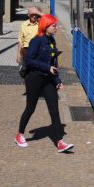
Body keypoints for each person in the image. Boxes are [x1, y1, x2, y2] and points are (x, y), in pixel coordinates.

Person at [15, 14, 73, 153]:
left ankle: (60, 142)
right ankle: (19, 135)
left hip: (48, 80)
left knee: (54, 109)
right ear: (46, 26)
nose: (56, 28)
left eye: (56, 25)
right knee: (30, 108)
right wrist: (47, 68)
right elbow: (29, 60)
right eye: (54, 25)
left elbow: (54, 64)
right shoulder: (37, 41)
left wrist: (57, 81)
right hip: (34, 78)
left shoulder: (52, 41)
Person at [17, 6, 42, 70]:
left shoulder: (41, 24)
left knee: (37, 69)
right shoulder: (23, 25)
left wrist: (38, 12)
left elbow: (51, 20)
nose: (34, 16)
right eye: (32, 14)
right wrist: (18, 55)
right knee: (27, 69)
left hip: (38, 50)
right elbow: (20, 40)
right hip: (26, 50)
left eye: (36, 14)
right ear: (28, 15)